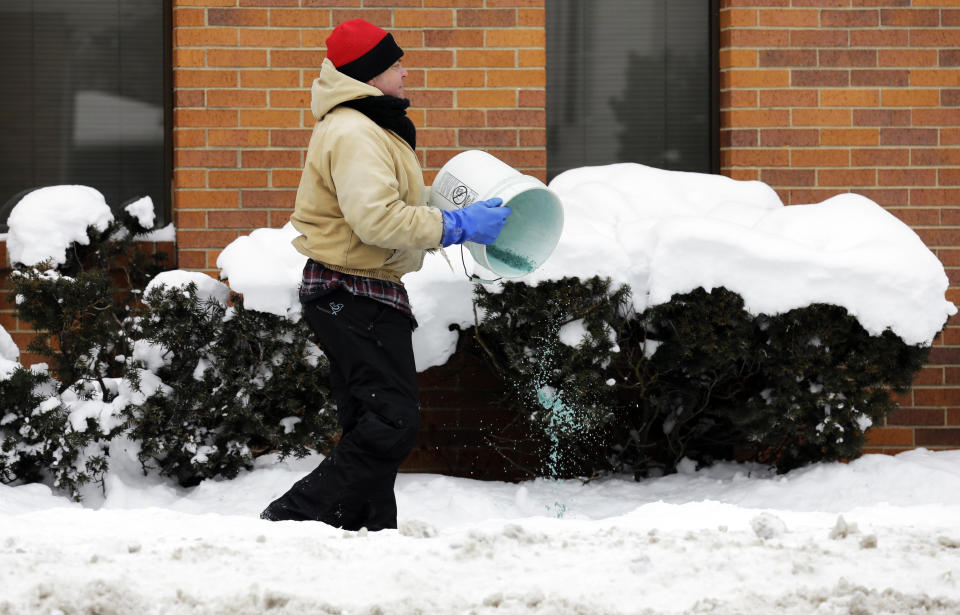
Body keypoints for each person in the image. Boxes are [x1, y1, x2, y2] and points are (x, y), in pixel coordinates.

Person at [260, 18, 511, 531]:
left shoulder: (365, 125)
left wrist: (444, 214)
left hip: (357, 291)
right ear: (371, 75)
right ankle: (293, 516)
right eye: (395, 63)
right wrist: (457, 225)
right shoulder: (355, 131)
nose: (404, 69)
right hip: (351, 292)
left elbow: (383, 207)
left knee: (370, 420)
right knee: (392, 422)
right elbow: (376, 220)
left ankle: (367, 532)